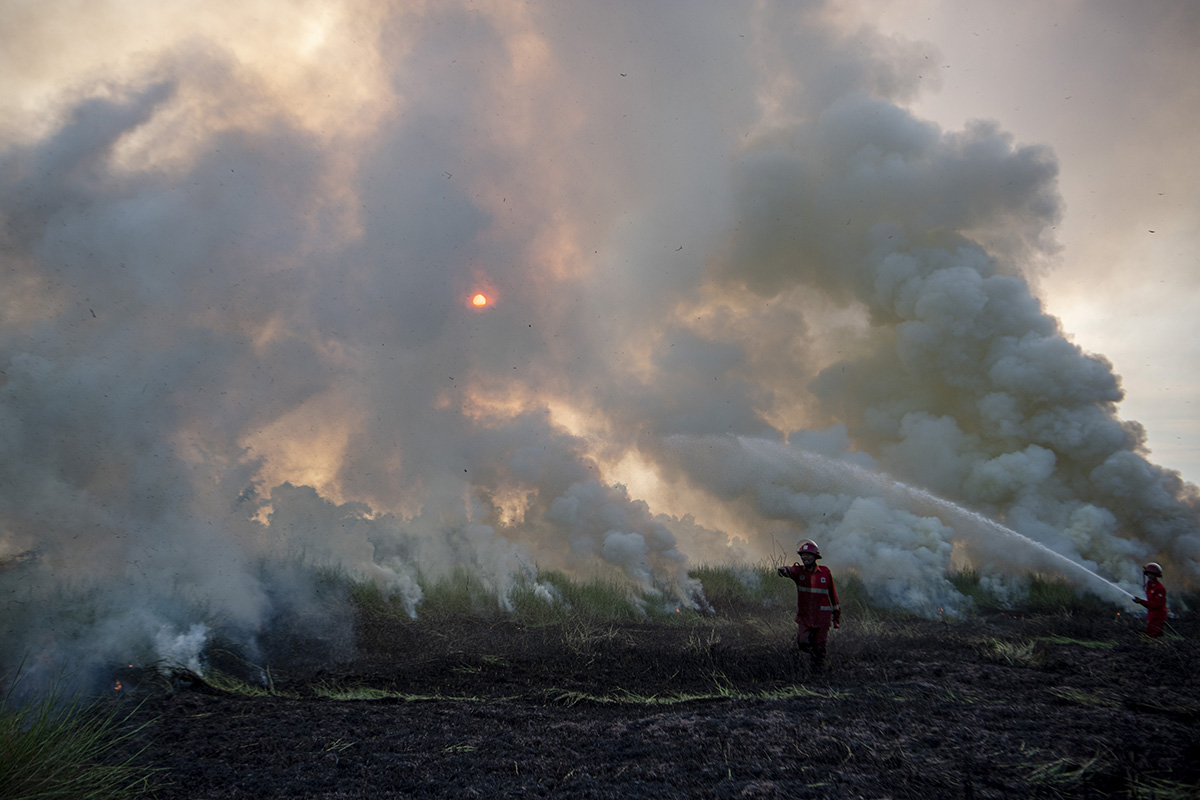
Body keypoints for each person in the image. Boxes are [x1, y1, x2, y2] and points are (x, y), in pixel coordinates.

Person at [777, 539, 840, 672]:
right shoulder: (799, 572)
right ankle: (812, 658)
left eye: (808, 555)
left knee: (820, 646)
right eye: (803, 555)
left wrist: (836, 617)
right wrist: (783, 570)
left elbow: (832, 594)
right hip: (805, 617)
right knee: (803, 642)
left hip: (822, 617)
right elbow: (790, 570)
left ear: (815, 557)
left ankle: (817, 672)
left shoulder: (825, 573)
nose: (805, 557)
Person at [1131, 562, 1168, 637]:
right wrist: (1141, 601)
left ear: (1156, 575)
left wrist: (1141, 601)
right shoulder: (1149, 585)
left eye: (1152, 574)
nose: (1150, 576)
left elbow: (1157, 604)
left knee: (1151, 634)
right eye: (1149, 573)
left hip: (1158, 615)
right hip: (1151, 613)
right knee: (1157, 634)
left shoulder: (1160, 588)